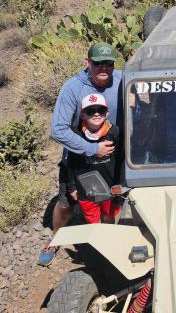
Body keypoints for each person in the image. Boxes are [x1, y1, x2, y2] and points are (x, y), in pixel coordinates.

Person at [37, 42, 122, 266]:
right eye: (97, 63)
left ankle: (108, 243)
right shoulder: (73, 88)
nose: (103, 68)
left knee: (111, 201)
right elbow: (59, 130)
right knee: (67, 203)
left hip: (112, 157)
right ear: (87, 63)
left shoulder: (122, 80)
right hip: (78, 159)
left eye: (108, 63)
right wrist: (93, 149)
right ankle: (55, 238)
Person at [68, 93, 122, 224]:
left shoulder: (114, 132)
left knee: (109, 218)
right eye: (91, 111)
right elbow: (71, 162)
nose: (97, 114)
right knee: (93, 221)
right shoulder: (75, 135)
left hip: (110, 187)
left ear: (107, 113)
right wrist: (71, 187)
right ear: (82, 115)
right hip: (86, 190)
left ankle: (109, 241)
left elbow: (120, 159)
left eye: (101, 110)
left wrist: (120, 183)